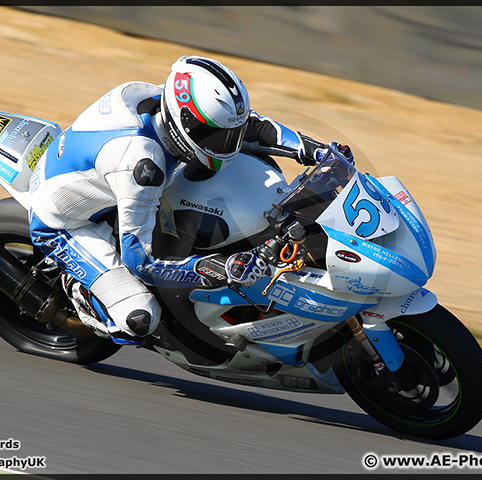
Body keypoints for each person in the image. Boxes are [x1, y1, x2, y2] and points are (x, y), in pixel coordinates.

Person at [27, 55, 353, 343]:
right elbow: (142, 262)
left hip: (112, 182)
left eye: (229, 135)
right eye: (218, 138)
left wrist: (318, 152)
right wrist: (216, 267)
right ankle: (81, 292)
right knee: (141, 319)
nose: (230, 145)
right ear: (185, 123)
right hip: (70, 223)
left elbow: (252, 126)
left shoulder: (172, 104)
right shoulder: (142, 167)